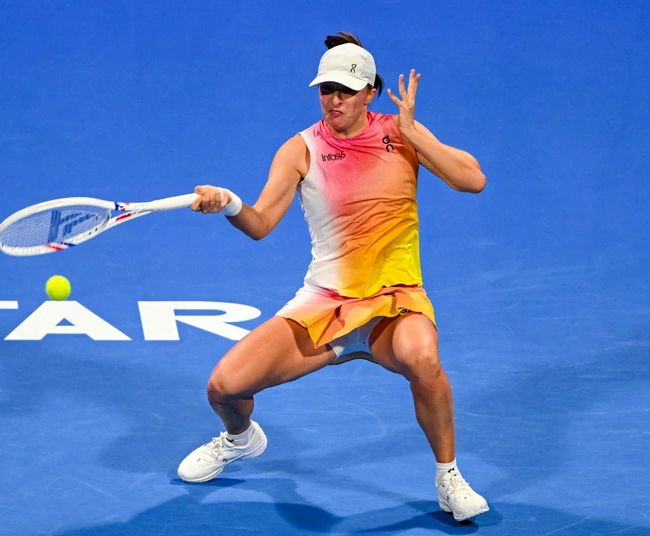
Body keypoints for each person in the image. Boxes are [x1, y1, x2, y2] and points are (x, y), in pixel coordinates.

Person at [179, 32, 489, 522]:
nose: (334, 100)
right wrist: (230, 203)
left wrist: (414, 133)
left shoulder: (401, 133)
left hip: (394, 303)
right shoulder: (300, 149)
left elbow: (472, 180)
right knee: (223, 387)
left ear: (370, 93)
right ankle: (240, 439)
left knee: (422, 357)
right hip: (326, 305)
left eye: (346, 90)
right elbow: (260, 224)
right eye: (327, 89)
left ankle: (448, 477)